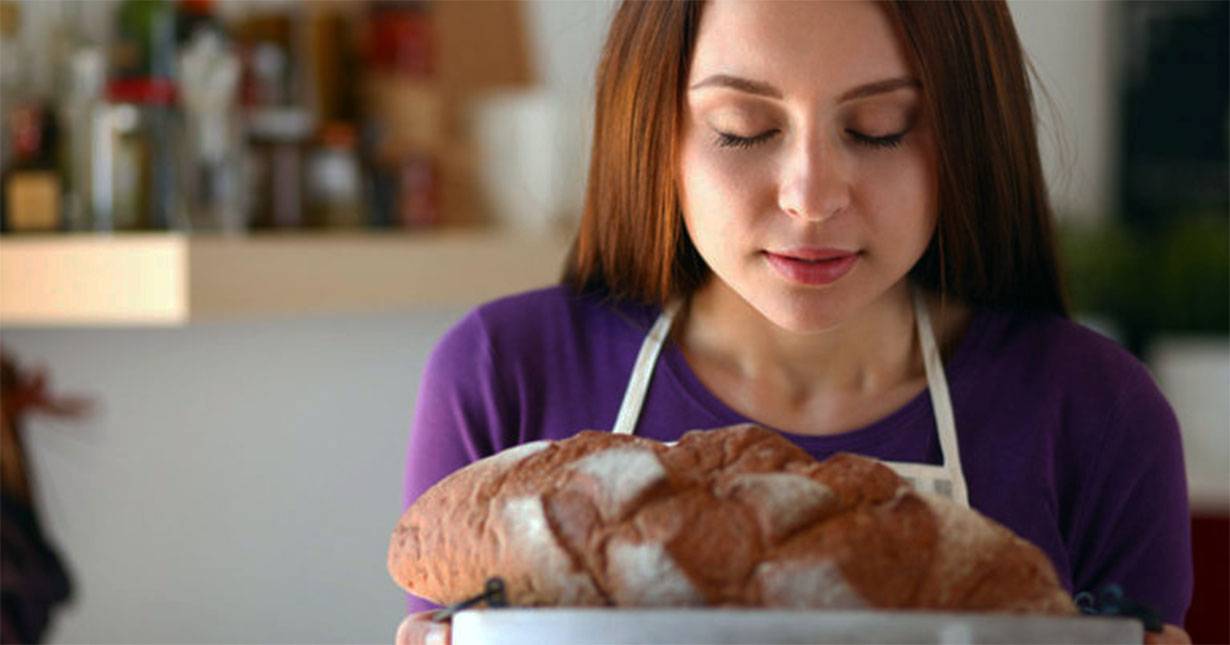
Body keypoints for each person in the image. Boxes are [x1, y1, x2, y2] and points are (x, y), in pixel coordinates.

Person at [396, 1, 1193, 642]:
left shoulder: (1097, 410)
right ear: (656, 129)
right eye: (745, 127)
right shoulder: (504, 374)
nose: (811, 196)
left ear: (969, 134)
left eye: (880, 127)